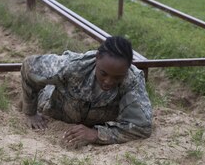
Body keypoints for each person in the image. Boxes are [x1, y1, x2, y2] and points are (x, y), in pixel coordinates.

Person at [20, 36, 153, 147]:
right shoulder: (72, 66)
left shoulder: (132, 80)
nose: (108, 81)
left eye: (117, 77)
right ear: (97, 57)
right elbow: (29, 66)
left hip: (96, 122)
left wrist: (96, 134)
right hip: (52, 106)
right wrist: (30, 112)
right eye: (103, 73)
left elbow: (142, 127)